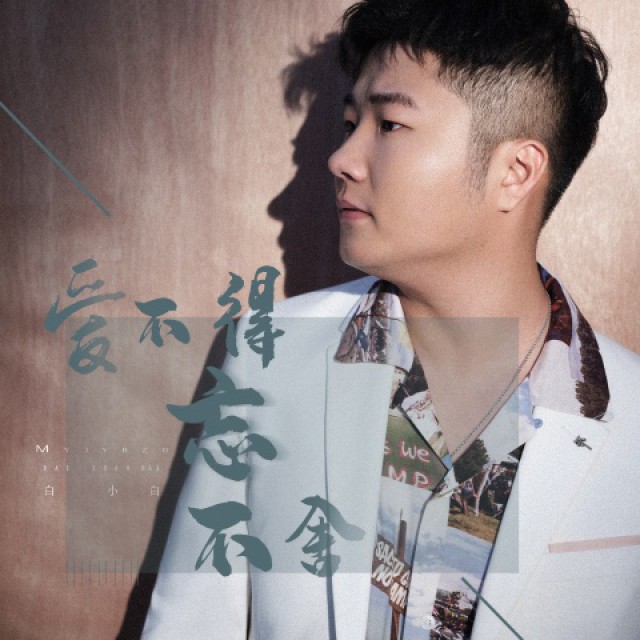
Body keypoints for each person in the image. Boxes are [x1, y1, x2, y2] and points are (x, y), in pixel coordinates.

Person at [142, 1, 640, 638]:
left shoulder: (628, 425)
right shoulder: (268, 359)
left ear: (515, 172)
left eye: (390, 125)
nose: (341, 158)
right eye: (351, 123)